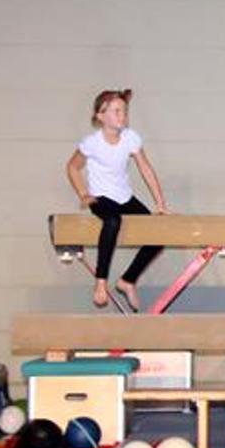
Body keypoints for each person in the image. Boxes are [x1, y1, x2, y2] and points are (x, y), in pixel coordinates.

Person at [65, 89, 172, 311]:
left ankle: (127, 280)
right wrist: (83, 194)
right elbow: (72, 167)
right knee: (112, 222)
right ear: (100, 116)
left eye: (124, 111)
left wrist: (160, 204)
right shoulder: (92, 143)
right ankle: (100, 282)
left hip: (125, 197)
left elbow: (146, 169)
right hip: (101, 198)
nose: (122, 115)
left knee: (158, 233)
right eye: (116, 111)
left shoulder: (131, 138)